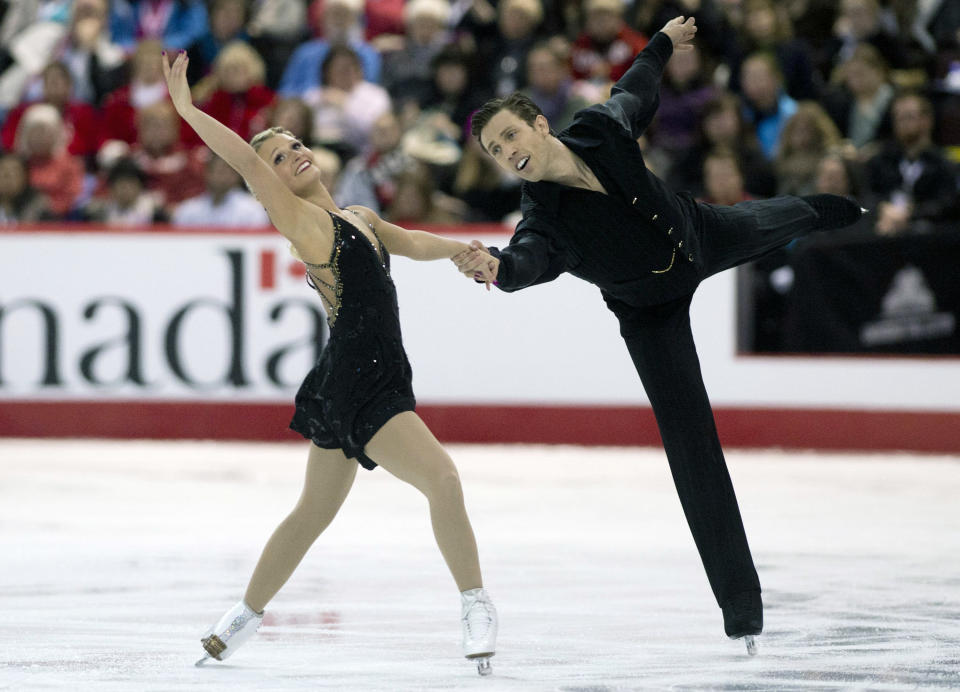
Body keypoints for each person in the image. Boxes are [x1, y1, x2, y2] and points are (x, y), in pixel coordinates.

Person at [455, 15, 864, 653]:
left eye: (511, 136)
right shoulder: (543, 218)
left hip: (700, 234)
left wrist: (666, 41)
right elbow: (526, 262)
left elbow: (636, 90)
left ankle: (847, 207)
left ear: (540, 122)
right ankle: (742, 612)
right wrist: (499, 271)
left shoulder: (596, 128)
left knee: (792, 215)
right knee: (692, 449)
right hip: (649, 311)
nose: (509, 154)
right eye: (497, 154)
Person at [160, 49, 499, 675]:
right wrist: (187, 110)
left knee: (312, 512)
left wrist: (462, 251)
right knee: (444, 481)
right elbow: (241, 160)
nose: (292, 154)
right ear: (273, 183)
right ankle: (476, 604)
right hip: (361, 378)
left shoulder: (360, 217)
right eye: (278, 158)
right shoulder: (305, 225)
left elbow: (412, 241)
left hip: (351, 373)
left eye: (293, 144)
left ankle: (240, 617)